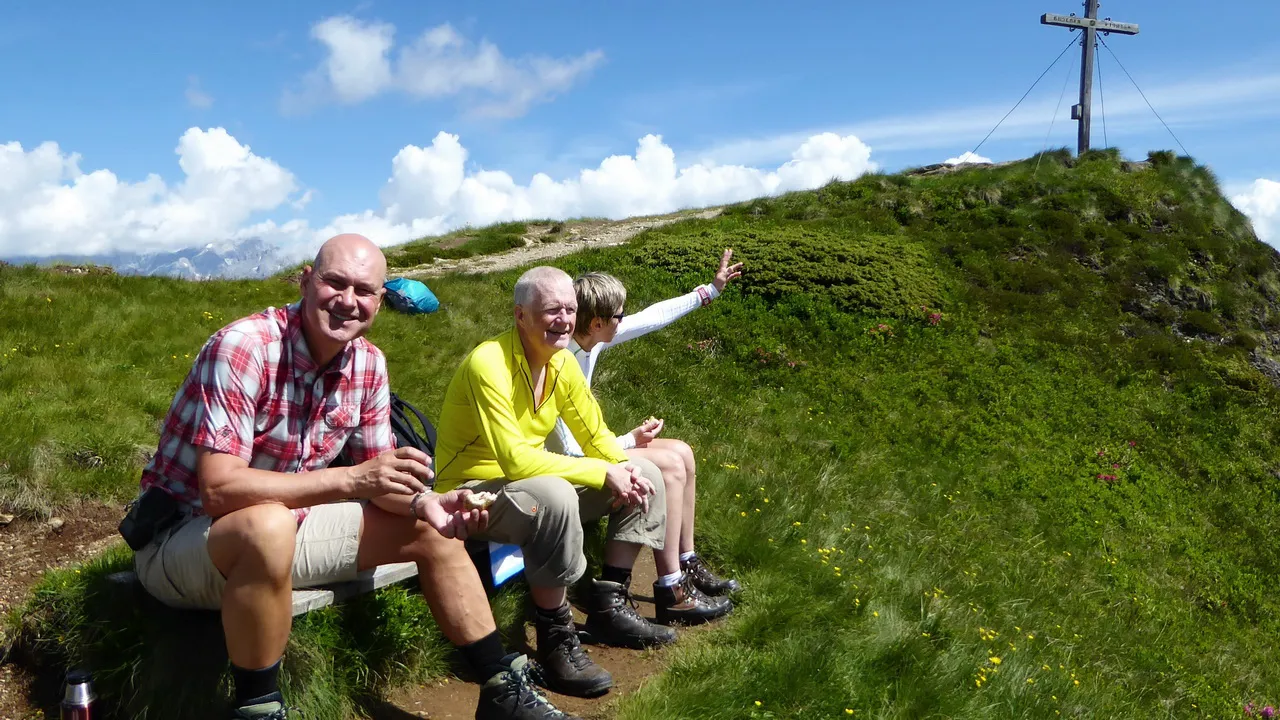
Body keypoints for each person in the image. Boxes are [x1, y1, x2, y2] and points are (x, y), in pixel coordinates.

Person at [129, 234, 577, 720]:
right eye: (334, 283)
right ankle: (259, 709)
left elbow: (380, 478)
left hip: (288, 528)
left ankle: (501, 687)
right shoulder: (245, 347)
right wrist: (352, 481)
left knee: (430, 529)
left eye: (364, 291)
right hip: (182, 539)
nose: (347, 302)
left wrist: (426, 503)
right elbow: (219, 490)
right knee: (266, 527)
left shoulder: (368, 364)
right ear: (305, 281)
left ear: (381, 301)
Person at [433, 266, 674, 700]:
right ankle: (555, 635)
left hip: (524, 483)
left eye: (570, 309)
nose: (564, 319)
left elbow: (594, 434)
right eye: (551, 310)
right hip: (470, 489)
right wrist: (603, 472)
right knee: (556, 492)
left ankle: (609, 604)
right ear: (520, 315)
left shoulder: (561, 362)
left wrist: (623, 466)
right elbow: (515, 459)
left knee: (648, 472)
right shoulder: (489, 362)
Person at [546, 249, 744, 622]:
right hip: (564, 469)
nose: (624, 321)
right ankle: (671, 589)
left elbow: (651, 318)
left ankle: (687, 563)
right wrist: (629, 440)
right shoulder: (561, 361)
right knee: (667, 466)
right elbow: (570, 451)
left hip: (587, 453)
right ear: (598, 322)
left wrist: (709, 291)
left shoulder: (590, 340)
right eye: (618, 315)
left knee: (682, 452)